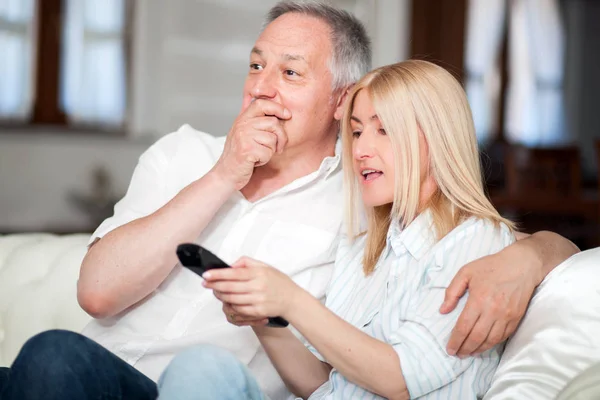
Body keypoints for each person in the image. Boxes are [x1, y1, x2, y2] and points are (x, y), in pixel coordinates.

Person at [0, 2, 578, 400]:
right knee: (51, 357)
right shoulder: (181, 154)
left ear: (338, 99)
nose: (261, 86)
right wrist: (226, 172)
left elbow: (476, 230)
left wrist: (532, 256)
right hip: (96, 376)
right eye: (256, 65)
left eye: (290, 72)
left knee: (67, 360)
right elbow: (96, 292)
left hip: (206, 387)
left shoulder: (362, 201)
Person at [157, 59, 518, 400]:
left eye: (383, 130)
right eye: (357, 131)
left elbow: (399, 380)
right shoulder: (364, 249)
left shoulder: (475, 243)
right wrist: (266, 319)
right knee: (201, 367)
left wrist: (292, 300)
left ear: (437, 141)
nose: (360, 148)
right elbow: (319, 384)